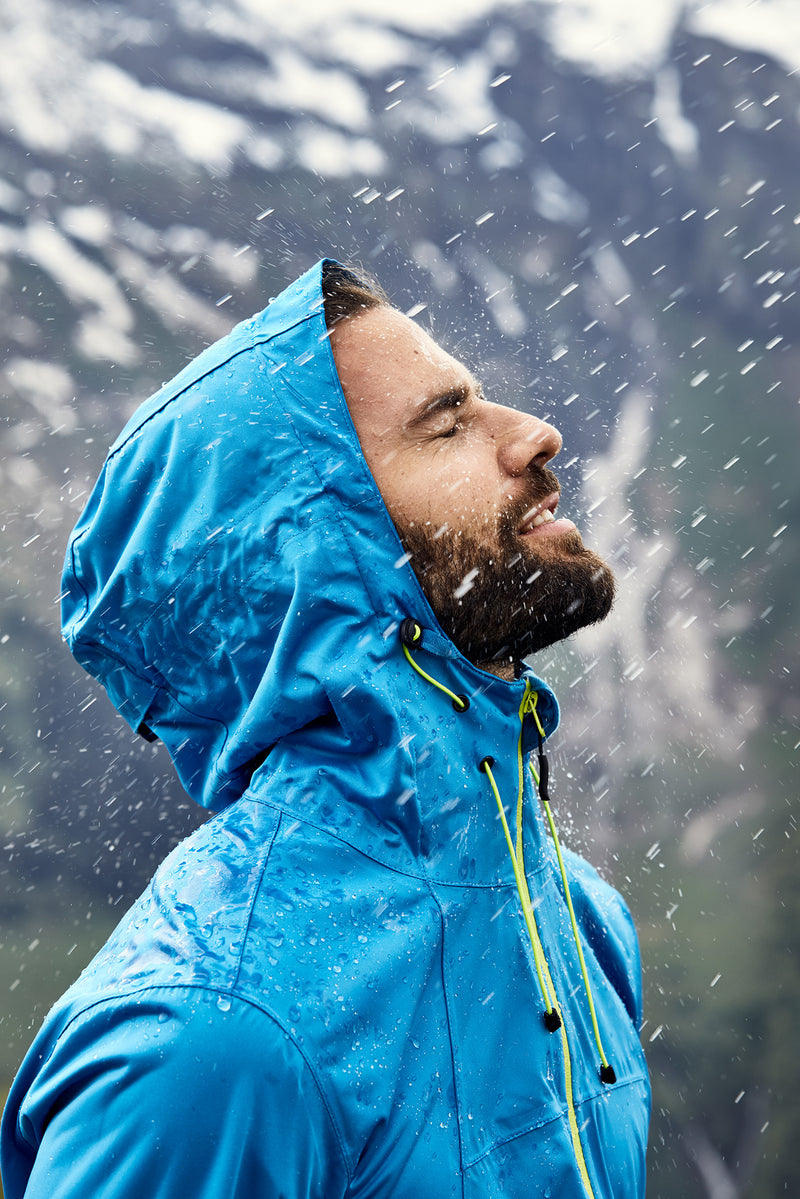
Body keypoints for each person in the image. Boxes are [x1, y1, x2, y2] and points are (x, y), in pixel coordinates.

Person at [1, 259, 650, 1198]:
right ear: (318, 547)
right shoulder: (212, 1044)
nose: (533, 434)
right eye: (448, 423)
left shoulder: (576, 919)